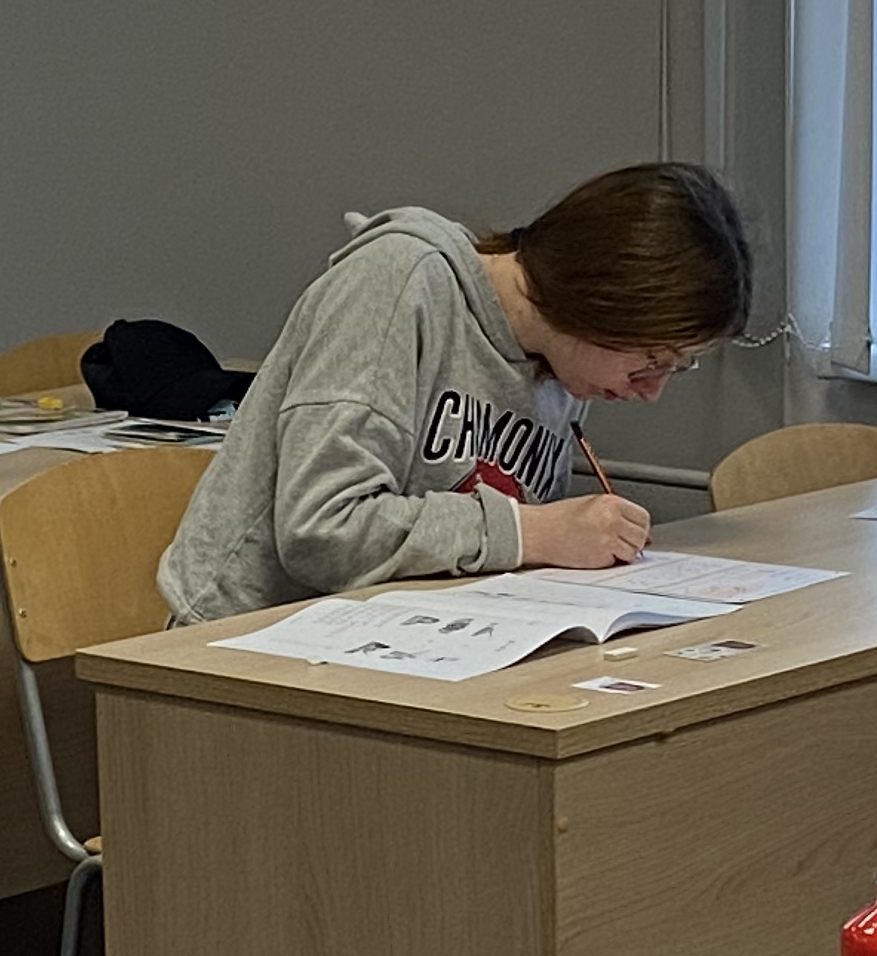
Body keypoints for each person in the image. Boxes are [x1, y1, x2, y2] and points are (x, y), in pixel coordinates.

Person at [156, 162, 754, 624]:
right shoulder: (397, 283)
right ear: (597, 298)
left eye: (678, 367)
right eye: (651, 359)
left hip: (417, 634)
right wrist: (533, 532)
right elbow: (322, 530)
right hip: (247, 640)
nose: (651, 391)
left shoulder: (562, 363)